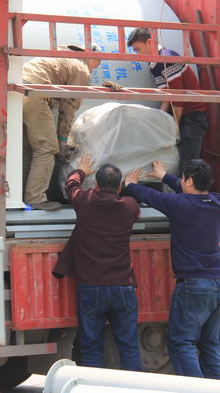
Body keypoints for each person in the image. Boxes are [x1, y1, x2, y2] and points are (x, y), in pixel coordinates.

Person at [124, 159, 220, 379]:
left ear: (189, 180)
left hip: (193, 287)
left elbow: (151, 196)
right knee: (211, 347)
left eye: (182, 179)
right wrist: (164, 176)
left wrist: (130, 184)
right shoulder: (218, 203)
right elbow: (187, 190)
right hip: (218, 286)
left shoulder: (181, 205)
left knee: (182, 344)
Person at [52, 154, 143, 371]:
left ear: (96, 184)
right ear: (120, 186)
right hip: (123, 287)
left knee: (91, 348)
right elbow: (136, 211)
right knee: (129, 347)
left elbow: (70, 184)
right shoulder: (130, 207)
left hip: (91, 288)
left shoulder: (85, 201)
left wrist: (81, 169)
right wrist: (133, 185)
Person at [22, 44, 102, 211]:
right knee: (47, 149)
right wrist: (62, 142)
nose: (94, 69)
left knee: (30, 150)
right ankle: (36, 198)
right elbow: (68, 108)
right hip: (36, 93)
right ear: (92, 57)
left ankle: (23, 196)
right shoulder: (81, 68)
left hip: (19, 92)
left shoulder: (61, 56)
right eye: (97, 64)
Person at [126, 28, 208, 167]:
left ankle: (189, 188)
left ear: (150, 42)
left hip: (192, 116)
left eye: (138, 49)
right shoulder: (154, 64)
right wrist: (161, 117)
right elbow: (167, 96)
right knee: (181, 161)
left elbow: (177, 97)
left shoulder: (167, 58)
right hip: (181, 115)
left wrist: (174, 125)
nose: (138, 54)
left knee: (189, 164)